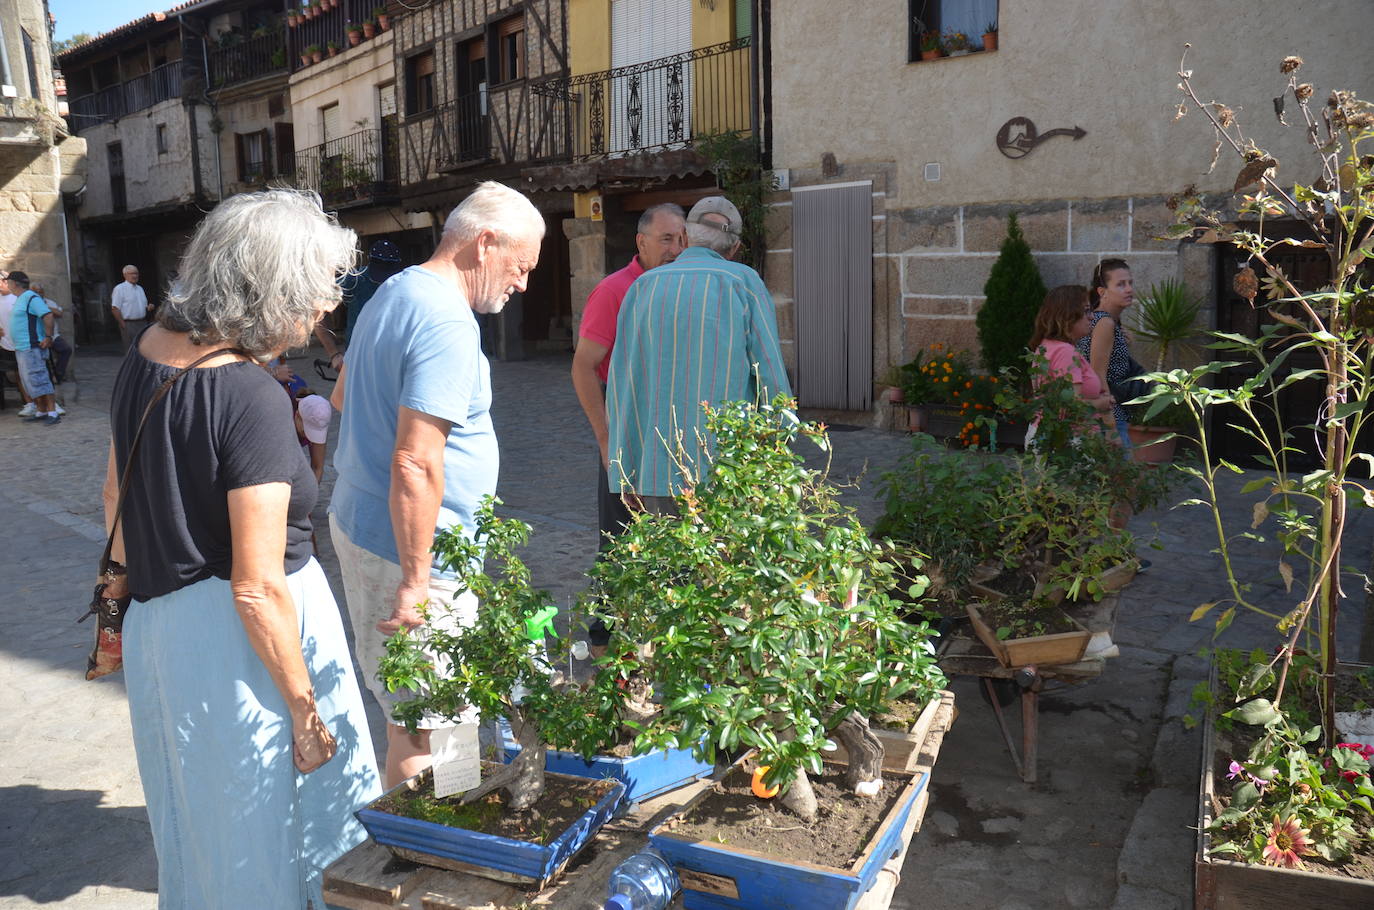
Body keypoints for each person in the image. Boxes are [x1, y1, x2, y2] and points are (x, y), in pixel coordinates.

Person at [100, 189, 380, 908]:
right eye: (316, 294)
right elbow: (257, 586)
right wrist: (305, 711)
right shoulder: (249, 394)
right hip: (245, 649)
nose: (322, 312)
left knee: (202, 838)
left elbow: (113, 500)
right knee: (277, 836)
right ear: (271, 289)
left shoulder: (144, 354)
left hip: (167, 636)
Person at [330, 180, 544, 787]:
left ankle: (433, 837)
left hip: (367, 525)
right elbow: (415, 463)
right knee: (437, 720)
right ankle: (436, 854)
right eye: (521, 266)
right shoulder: (447, 321)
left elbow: (344, 395)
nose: (523, 283)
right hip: (412, 552)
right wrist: (418, 583)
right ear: (485, 244)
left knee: (419, 713)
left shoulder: (394, 290)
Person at [606, 196, 791, 515]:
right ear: (734, 249)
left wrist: (625, 474)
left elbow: (623, 386)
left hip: (656, 472)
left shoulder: (642, 287)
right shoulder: (742, 282)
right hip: (727, 472)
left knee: (667, 562)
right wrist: (776, 460)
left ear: (685, 238)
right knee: (723, 563)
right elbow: (770, 381)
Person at [572, 203, 686, 545]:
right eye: (666, 239)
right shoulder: (613, 290)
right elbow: (582, 367)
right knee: (624, 543)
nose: (676, 250)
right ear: (641, 243)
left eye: (682, 239)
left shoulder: (681, 285)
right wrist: (607, 442)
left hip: (674, 422)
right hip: (627, 423)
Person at [1026, 285, 1114, 446]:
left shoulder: (1047, 345)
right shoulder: (1065, 352)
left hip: (1048, 435)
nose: (1092, 317)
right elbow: (1070, 406)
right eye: (1086, 310)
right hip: (1069, 442)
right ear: (1067, 316)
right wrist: (1101, 404)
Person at [1076, 258, 1139, 449]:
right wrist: (1111, 429)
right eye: (1120, 284)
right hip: (1107, 419)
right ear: (1102, 292)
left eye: (1130, 283)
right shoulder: (1104, 323)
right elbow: (1098, 376)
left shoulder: (1103, 321)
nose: (1128, 289)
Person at [6, 271, 60, 425]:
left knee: (40, 379)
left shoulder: (31, 297)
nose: (7, 285)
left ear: (14, 283)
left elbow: (48, 315)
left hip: (32, 346)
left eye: (8, 282)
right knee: (30, 381)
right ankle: (41, 410)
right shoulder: (21, 299)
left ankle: (52, 412)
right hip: (23, 348)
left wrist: (48, 337)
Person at [30, 281, 73, 393]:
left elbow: (59, 313)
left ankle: (58, 375)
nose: (39, 294)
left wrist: (44, 306)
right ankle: (48, 379)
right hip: (39, 337)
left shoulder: (49, 302)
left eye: (40, 292)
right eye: (36, 292)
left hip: (53, 336)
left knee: (66, 350)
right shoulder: (29, 303)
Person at [111, 264, 150, 352]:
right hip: (129, 324)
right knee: (131, 350)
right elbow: (115, 308)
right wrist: (123, 324)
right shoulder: (120, 289)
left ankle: (142, 366)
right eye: (132, 273)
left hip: (142, 323)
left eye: (136, 273)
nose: (135, 276)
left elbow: (143, 306)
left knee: (143, 349)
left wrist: (149, 307)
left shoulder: (140, 288)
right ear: (125, 275)